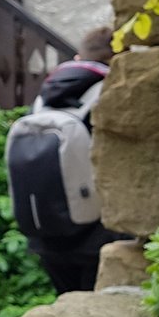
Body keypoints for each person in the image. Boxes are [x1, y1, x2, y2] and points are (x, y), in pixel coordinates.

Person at [25, 26, 123, 293]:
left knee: (66, 303)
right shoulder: (111, 92)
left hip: (46, 229)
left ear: (79, 57)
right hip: (97, 231)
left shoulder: (44, 95)